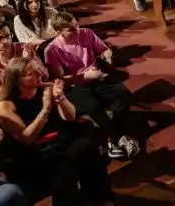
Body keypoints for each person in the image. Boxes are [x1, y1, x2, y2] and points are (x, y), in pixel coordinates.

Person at [0, 58, 117, 206]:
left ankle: (99, 202)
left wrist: (60, 97)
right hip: (33, 153)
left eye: (37, 70)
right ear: (17, 80)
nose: (38, 75)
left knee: (85, 146)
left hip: (59, 142)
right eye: (31, 73)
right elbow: (27, 137)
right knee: (65, 163)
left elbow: (69, 116)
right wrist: (45, 108)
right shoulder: (6, 106)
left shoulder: (45, 88)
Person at [43, 12, 139, 159]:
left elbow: (105, 49)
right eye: (71, 29)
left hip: (96, 78)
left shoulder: (86, 33)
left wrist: (107, 54)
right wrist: (85, 76)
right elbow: (62, 79)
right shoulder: (51, 50)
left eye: (76, 25)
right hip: (75, 86)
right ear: (58, 32)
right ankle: (117, 139)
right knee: (93, 106)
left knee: (123, 95)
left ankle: (111, 137)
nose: (77, 30)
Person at [0, 21, 48, 97]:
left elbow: (44, 74)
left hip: (37, 92)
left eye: (8, 36)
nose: (6, 41)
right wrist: (11, 78)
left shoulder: (23, 48)